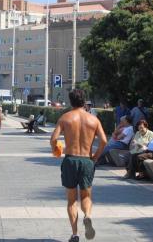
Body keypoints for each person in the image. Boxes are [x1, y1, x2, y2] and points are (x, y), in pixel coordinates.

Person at [50, 89, 107, 242]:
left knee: (71, 200)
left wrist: (56, 150)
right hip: (87, 160)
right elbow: (103, 141)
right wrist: (95, 157)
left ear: (71, 101)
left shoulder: (65, 118)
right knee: (86, 196)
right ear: (84, 101)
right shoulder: (93, 120)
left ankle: (75, 234)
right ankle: (87, 215)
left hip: (70, 160)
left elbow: (53, 138)